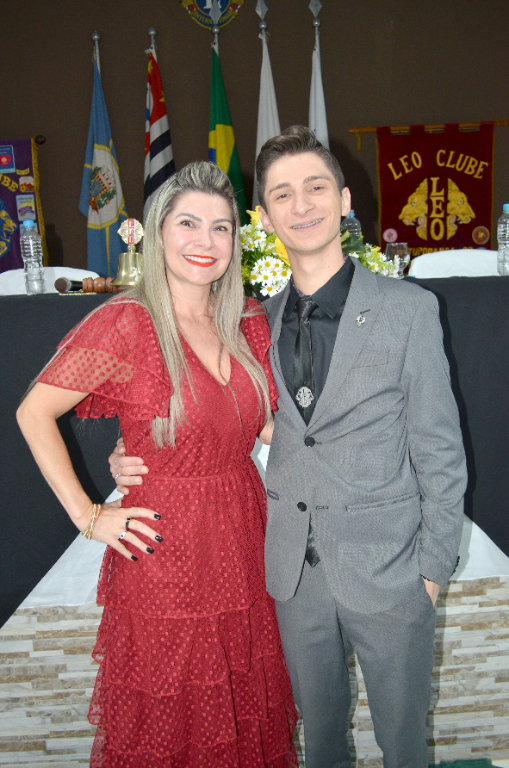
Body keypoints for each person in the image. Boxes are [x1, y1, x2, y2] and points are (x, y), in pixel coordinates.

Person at [113, 128, 467, 768]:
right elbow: (220, 414)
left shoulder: (409, 309)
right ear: (265, 216)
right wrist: (131, 451)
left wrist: (432, 571)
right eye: (282, 194)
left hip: (391, 573)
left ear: (344, 200)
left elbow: (440, 451)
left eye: (315, 188)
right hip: (292, 577)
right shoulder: (248, 323)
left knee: (404, 747)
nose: (301, 205)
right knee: (320, 745)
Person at [16, 161, 298, 768]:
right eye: (188, 223)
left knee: (243, 709)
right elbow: (33, 412)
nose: (206, 241)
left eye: (221, 228)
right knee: (173, 724)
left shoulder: (247, 320)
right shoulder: (128, 323)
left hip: (245, 540)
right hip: (166, 553)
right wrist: (90, 516)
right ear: (157, 232)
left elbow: (265, 428)